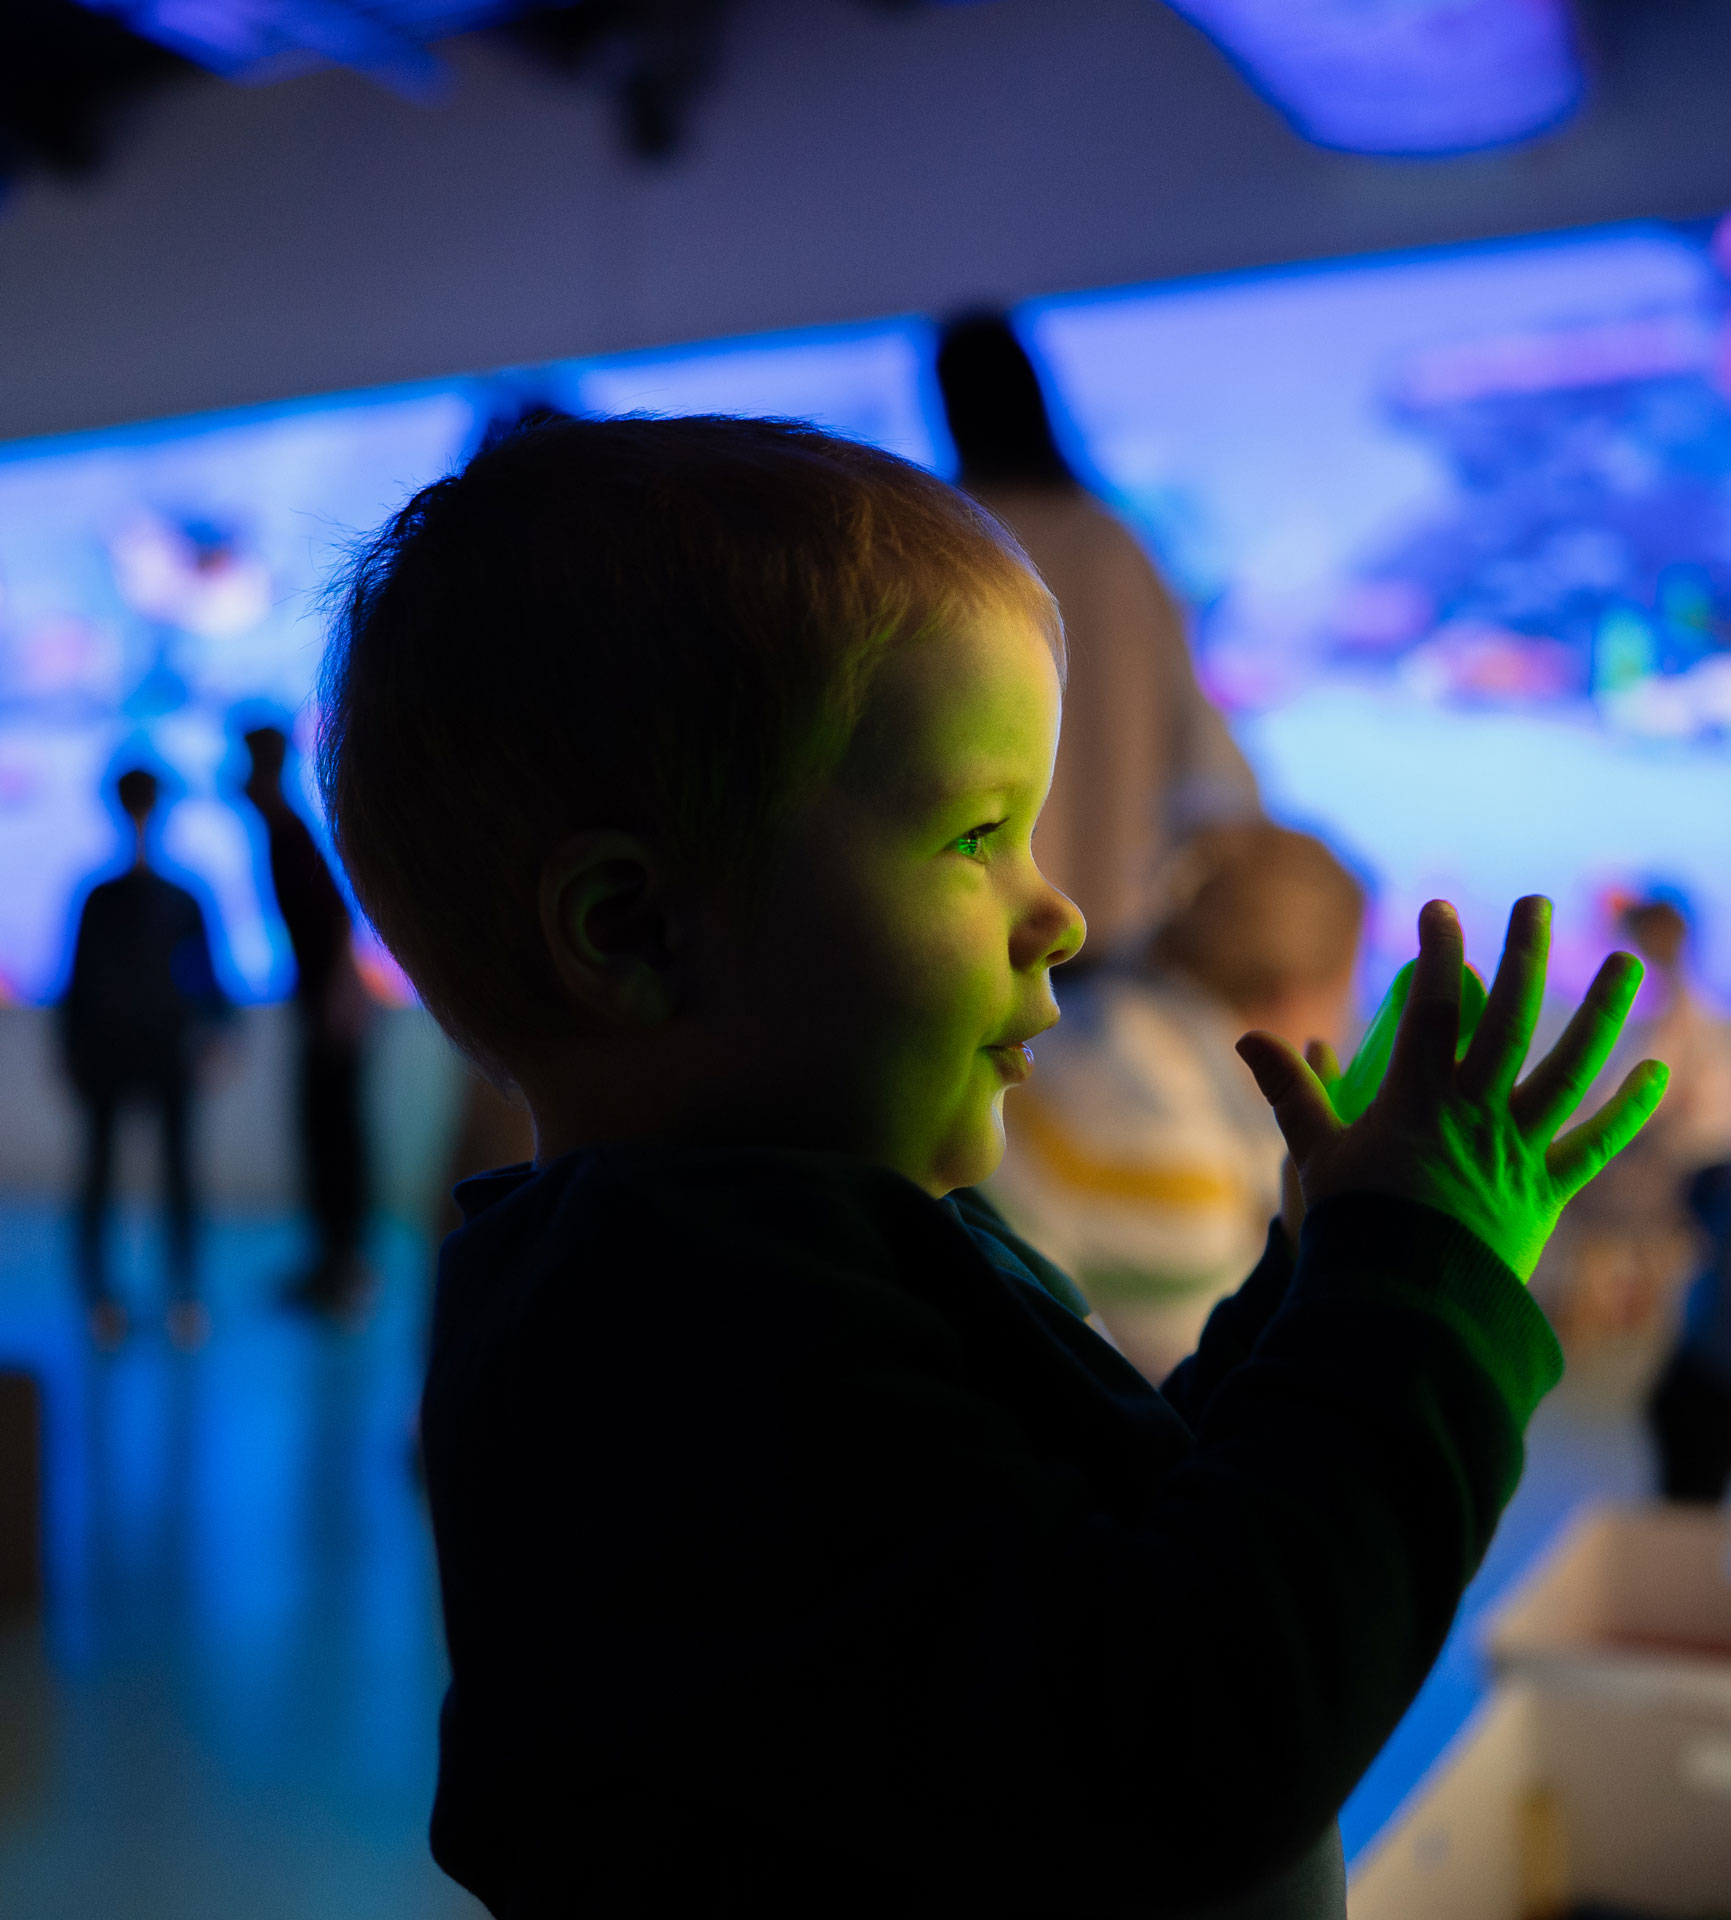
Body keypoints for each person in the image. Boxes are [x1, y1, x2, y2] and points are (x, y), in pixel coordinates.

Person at [317, 415, 1666, 1918]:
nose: (1063, 916)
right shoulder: (685, 1338)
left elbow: (1107, 1536)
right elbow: (1184, 1742)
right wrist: (1413, 1297)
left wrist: (1318, 1275)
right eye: (977, 837)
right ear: (634, 932)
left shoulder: (768, 1260)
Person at [935, 310, 1261, 957]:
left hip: (985, 919)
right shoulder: (1108, 540)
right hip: (1122, 907)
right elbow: (1191, 732)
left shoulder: (946, 545)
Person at [991, 823, 1365, 1383]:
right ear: (1296, 998)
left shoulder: (1094, 1017)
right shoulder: (1178, 1148)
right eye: (1347, 994)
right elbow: (1201, 1418)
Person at [59, 766, 228, 1349]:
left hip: (161, 1048)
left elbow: (210, 981)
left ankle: (180, 1293)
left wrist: (214, 1035)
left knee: (175, 1175)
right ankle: (102, 1297)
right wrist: (70, 1049)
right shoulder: (103, 898)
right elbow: (77, 984)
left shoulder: (178, 898)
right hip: (113, 1051)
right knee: (102, 1174)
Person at [239, 725, 373, 1317]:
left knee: (332, 1134)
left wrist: (339, 1002)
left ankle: (344, 1268)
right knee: (326, 1133)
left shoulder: (287, 832)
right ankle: (335, 1263)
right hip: (325, 1006)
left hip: (331, 1011)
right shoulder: (280, 830)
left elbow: (339, 922)